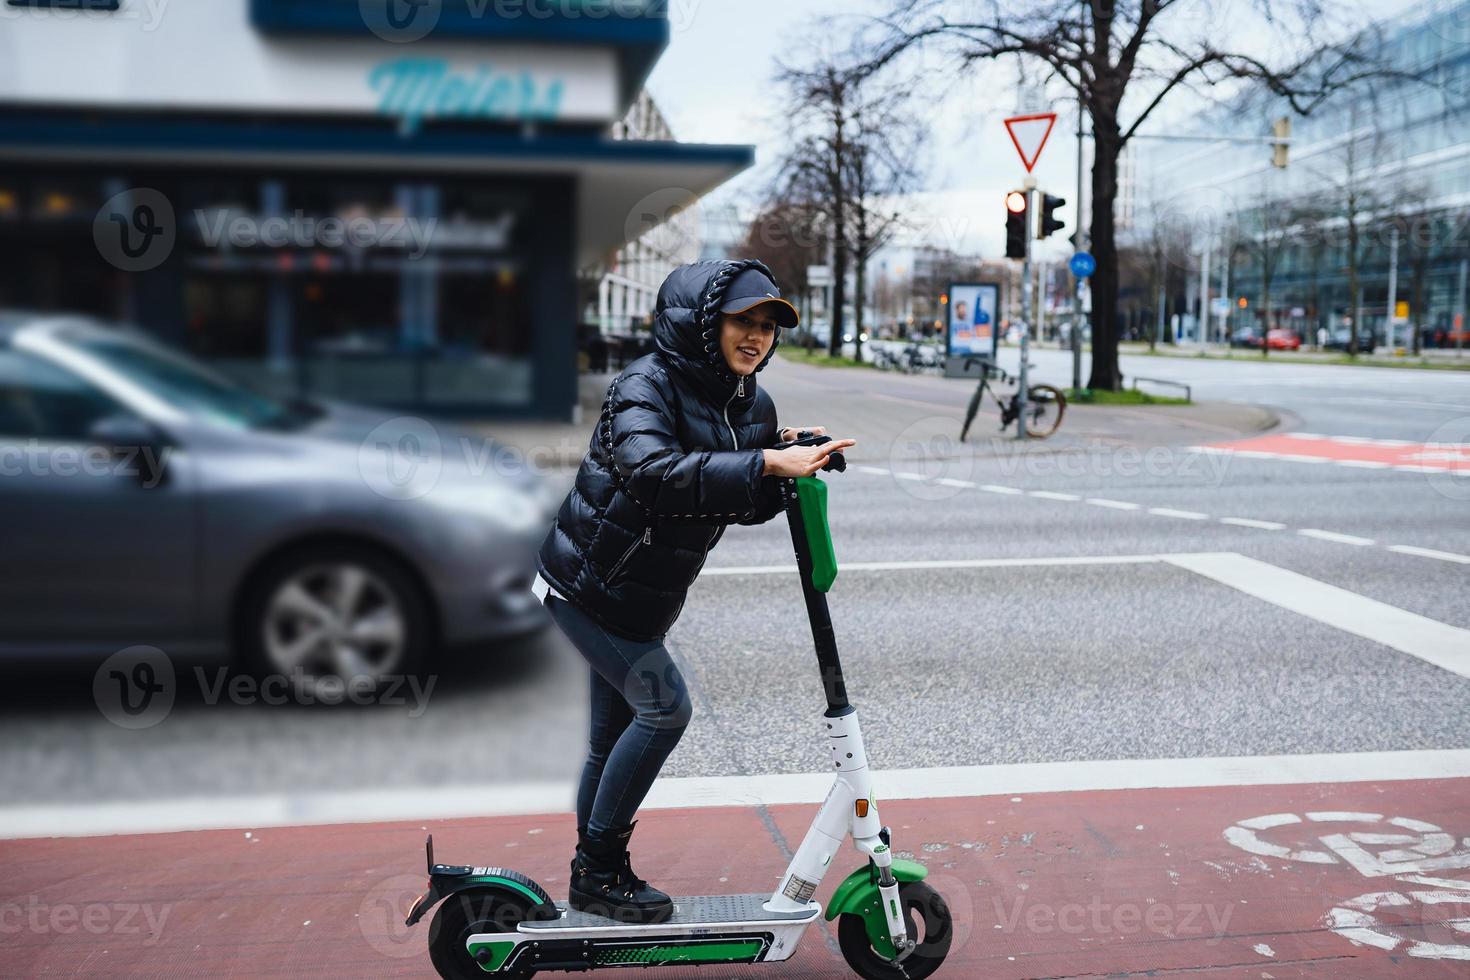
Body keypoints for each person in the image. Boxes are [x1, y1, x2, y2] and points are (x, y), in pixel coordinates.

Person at [533, 259, 856, 924]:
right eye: (744, 321)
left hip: (643, 598)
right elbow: (654, 473)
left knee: (610, 739)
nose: (757, 337)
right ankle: (599, 871)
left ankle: (594, 872)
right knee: (664, 710)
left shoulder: (750, 403)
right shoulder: (643, 386)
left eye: (767, 327)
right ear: (703, 324)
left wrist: (795, 459)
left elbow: (736, 498)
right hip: (590, 586)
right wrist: (766, 460)